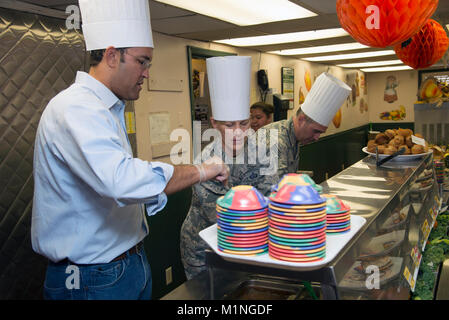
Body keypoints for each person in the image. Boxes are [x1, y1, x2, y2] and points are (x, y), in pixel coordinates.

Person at [31, 0, 229, 300]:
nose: (147, 73)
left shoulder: (108, 109)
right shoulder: (76, 108)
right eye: (142, 61)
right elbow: (121, 181)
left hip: (126, 264)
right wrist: (201, 170)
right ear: (112, 55)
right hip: (89, 277)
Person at [180, 56, 277, 280]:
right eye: (229, 125)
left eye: (244, 123)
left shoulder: (262, 152)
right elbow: (223, 218)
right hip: (204, 247)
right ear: (214, 124)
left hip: (249, 243)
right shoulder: (206, 162)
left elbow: (270, 195)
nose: (238, 132)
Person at [258, 72, 351, 179]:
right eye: (316, 131)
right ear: (301, 119)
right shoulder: (275, 140)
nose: (317, 138)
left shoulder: (293, 136)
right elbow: (275, 189)